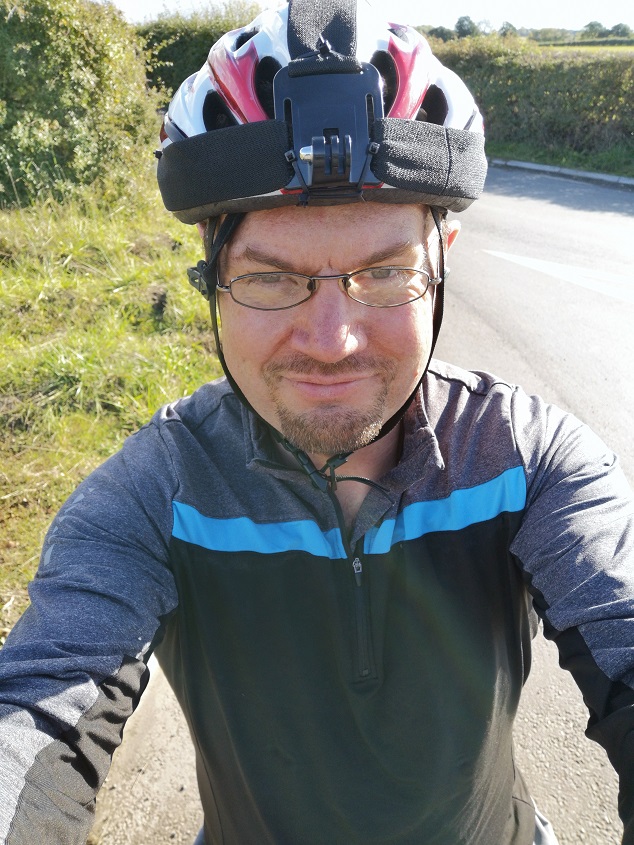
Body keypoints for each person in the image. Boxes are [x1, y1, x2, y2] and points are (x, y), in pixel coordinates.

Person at [0, 2, 632, 844]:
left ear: (443, 266)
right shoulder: (157, 490)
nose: (332, 342)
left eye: (385, 273)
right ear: (211, 278)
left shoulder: (526, 457)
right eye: (271, 279)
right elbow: (37, 716)